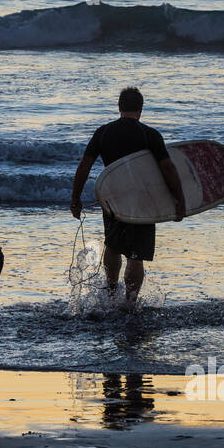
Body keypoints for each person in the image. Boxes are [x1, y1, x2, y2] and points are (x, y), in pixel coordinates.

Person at [70, 87, 186, 304]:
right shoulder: (149, 134)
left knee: (112, 245)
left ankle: (112, 293)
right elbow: (168, 169)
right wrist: (179, 200)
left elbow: (84, 166)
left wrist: (75, 198)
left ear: (119, 107)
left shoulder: (103, 132)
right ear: (140, 109)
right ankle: (130, 303)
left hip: (112, 199)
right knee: (136, 254)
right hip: (143, 201)